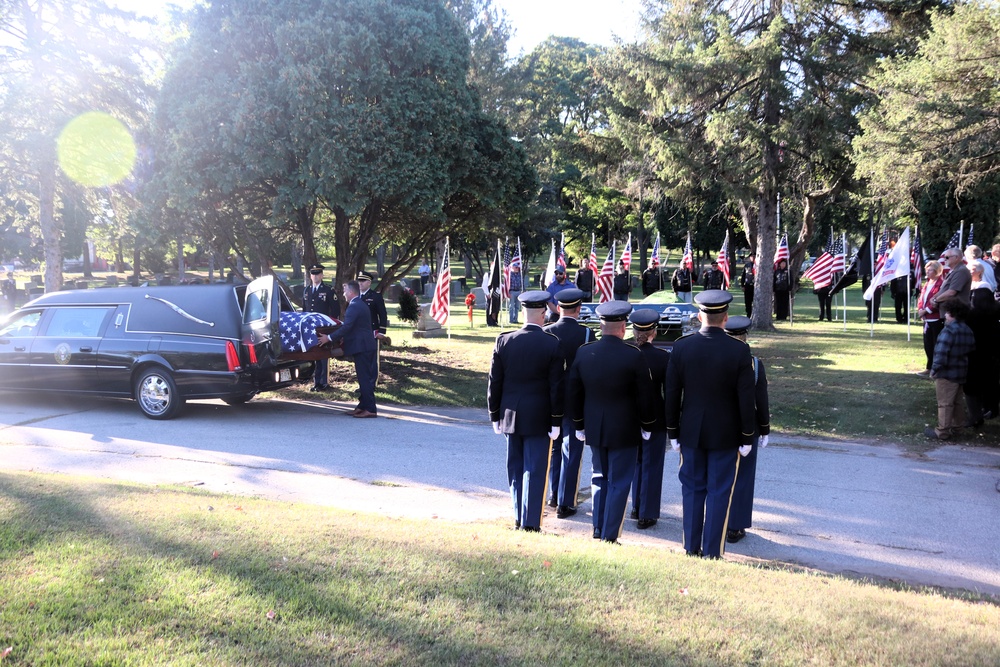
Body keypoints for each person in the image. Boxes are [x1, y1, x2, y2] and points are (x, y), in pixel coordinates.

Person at [664, 290, 756, 558]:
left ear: (698, 315)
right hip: (726, 434)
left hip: (691, 431)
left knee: (692, 489)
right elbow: (745, 398)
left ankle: (691, 547)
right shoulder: (739, 350)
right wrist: (747, 435)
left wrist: (673, 431)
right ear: (725, 318)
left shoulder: (681, 347)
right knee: (719, 491)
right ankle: (713, 551)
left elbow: (672, 393)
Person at [568, 301, 656, 543]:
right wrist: (647, 425)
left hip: (595, 427)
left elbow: (574, 392)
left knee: (599, 477)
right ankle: (610, 533)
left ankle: (598, 527)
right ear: (623, 326)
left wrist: (579, 425)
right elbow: (645, 397)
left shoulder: (584, 352)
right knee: (618, 481)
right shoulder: (633, 355)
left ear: (601, 325)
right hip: (625, 429)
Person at [487, 291, 564, 532]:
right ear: (543, 314)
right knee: (536, 469)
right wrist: (556, 420)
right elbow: (556, 387)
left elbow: (494, 382)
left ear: (523, 313)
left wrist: (494, 414)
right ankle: (531, 522)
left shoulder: (504, 340)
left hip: (510, 415)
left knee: (516, 469)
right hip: (540, 417)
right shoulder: (552, 343)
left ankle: (519, 517)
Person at [543, 288, 592, 519]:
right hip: (576, 401)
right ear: (579, 309)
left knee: (553, 450)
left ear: (559, 308)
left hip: (551, 400)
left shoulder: (546, 332)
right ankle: (566, 501)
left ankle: (553, 494)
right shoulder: (586, 334)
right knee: (571, 451)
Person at [722, 316, 770, 544]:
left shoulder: (717, 359)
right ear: (745, 337)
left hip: (719, 425)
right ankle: (735, 526)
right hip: (746, 428)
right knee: (743, 477)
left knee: (720, 475)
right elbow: (761, 400)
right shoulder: (754, 364)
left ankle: (719, 520)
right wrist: (765, 428)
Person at [628, 309, 670, 530]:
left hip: (629, 416)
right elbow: (669, 393)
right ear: (654, 331)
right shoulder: (663, 357)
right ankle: (647, 513)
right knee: (651, 465)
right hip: (655, 417)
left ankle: (636, 506)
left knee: (635, 462)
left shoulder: (626, 351)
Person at [321, 280, 379, 418]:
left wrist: (328, 338)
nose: (344, 293)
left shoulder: (354, 306)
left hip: (362, 347)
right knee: (363, 377)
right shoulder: (358, 304)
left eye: (345, 290)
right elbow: (353, 327)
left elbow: (347, 327)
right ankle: (362, 406)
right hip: (364, 345)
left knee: (364, 378)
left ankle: (370, 409)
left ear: (352, 292)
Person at [925, 298, 975, 440]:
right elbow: (971, 348)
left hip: (946, 373)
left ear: (952, 314)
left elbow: (941, 353)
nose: (945, 316)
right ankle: (958, 427)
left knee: (945, 403)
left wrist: (934, 370)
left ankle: (942, 431)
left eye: (947, 313)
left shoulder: (948, 331)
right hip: (961, 371)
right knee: (957, 402)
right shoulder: (967, 330)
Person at [964, 260, 1000, 426]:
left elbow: (979, 314)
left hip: (982, 342)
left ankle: (988, 407)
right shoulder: (972, 288)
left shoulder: (983, 289)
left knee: (985, 375)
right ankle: (981, 408)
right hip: (980, 341)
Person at [302, 263, 340, 392]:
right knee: (314, 354)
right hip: (310, 329)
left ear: (322, 275)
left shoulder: (328, 290)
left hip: (323, 328)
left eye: (317, 273)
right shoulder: (307, 290)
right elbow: (304, 310)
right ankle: (316, 381)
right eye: (313, 273)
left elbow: (335, 310)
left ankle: (323, 382)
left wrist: (331, 328)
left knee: (323, 355)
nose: (315, 276)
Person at [357, 271, 390, 378]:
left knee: (371, 359)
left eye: (363, 281)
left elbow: (383, 315)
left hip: (372, 332)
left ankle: (372, 383)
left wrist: (382, 331)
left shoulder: (376, 297)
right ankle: (362, 383)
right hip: (358, 333)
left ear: (369, 283)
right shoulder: (355, 296)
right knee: (360, 359)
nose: (360, 283)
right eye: (359, 281)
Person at [916, 261, 945, 377]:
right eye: (927, 270)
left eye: (930, 270)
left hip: (936, 318)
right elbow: (922, 299)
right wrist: (920, 310)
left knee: (936, 345)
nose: (927, 272)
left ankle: (936, 369)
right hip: (926, 319)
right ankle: (929, 367)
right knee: (927, 344)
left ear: (937, 271)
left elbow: (937, 300)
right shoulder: (928, 283)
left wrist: (926, 310)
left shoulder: (941, 283)